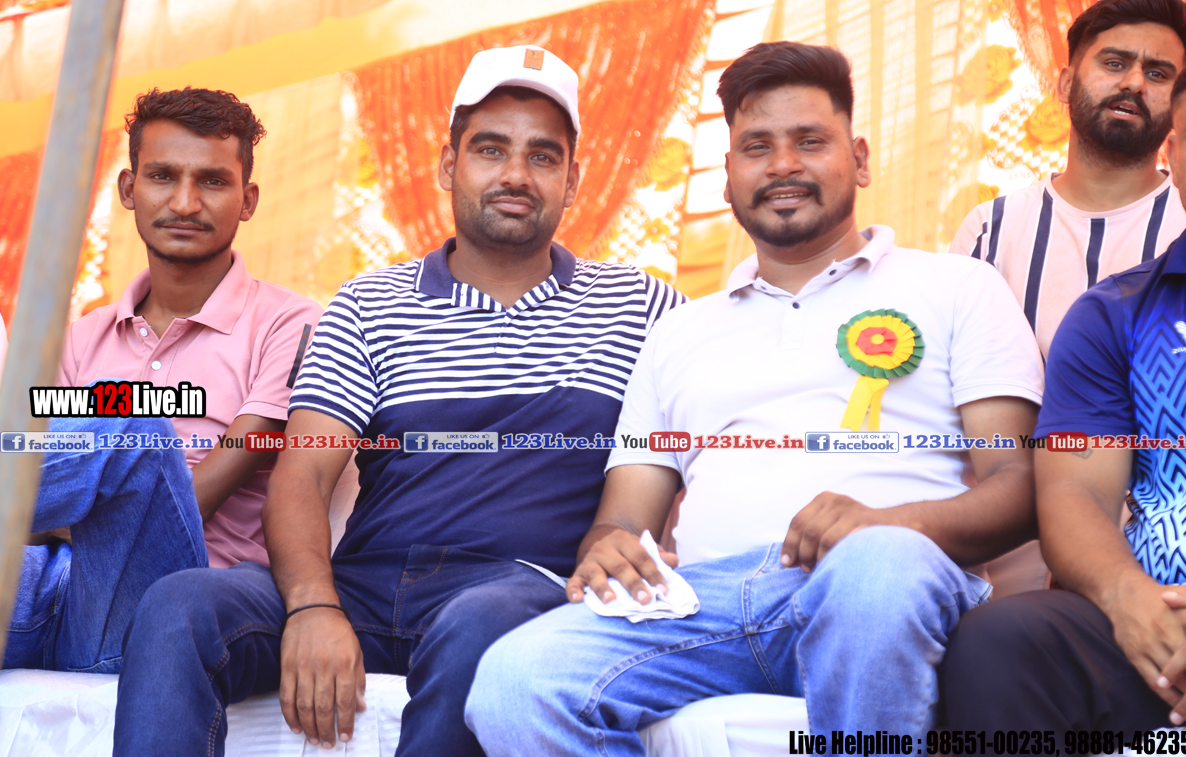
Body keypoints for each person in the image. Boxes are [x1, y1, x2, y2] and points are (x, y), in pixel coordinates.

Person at [464, 41, 1044, 751]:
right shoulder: (678, 331)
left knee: (875, 569)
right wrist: (609, 550)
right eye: (757, 147)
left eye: (810, 141)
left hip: (888, 582)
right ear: (729, 176)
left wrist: (888, 526)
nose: (783, 165)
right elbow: (622, 518)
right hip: (702, 604)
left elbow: (1020, 485)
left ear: (860, 159)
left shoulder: (956, 287)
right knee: (515, 681)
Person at [112, 45, 684, 757]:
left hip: (518, 590)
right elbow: (303, 473)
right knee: (179, 605)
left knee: (480, 626)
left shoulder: (644, 308)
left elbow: (675, 466)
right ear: (448, 166)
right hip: (364, 583)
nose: (514, 174)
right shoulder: (370, 303)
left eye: (542, 156)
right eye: (490, 149)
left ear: (572, 181)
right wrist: (313, 605)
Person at [3, 88, 323, 674]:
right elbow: (34, 490)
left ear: (248, 200)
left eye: (212, 181)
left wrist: (79, 523)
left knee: (136, 430)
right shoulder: (79, 340)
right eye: (162, 176)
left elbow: (199, 494)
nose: (184, 202)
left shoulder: (292, 324)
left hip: (174, 598)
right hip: (51, 586)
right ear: (129, 189)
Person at [940, 49, 1186, 735]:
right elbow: (1075, 492)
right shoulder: (1115, 313)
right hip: (1163, 634)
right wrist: (1131, 599)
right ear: (1173, 157)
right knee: (1002, 643)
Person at [953, 0, 1186, 359]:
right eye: (1114, 63)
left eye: (1157, 74)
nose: (1134, 83)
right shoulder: (989, 232)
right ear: (1066, 84)